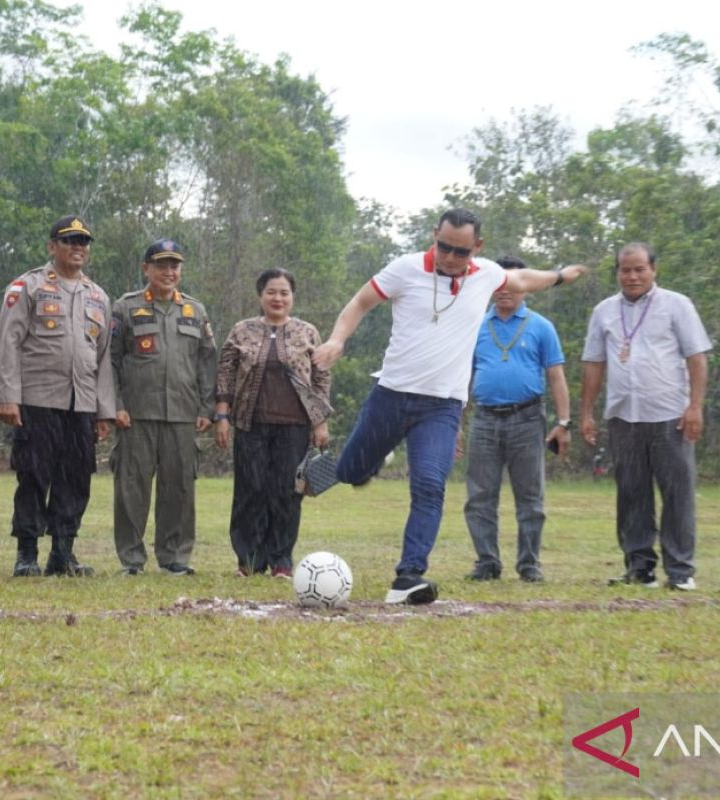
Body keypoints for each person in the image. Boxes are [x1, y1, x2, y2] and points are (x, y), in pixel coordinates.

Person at [312, 207, 589, 604]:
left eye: (461, 252)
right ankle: (339, 468)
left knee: (429, 485)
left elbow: (525, 278)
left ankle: (408, 578)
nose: (451, 257)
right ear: (434, 236)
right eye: (444, 247)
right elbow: (360, 303)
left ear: (477, 247)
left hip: (441, 407)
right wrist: (338, 340)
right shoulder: (406, 269)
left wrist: (560, 276)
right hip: (391, 395)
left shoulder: (487, 274)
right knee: (352, 470)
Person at [580, 242, 711, 591]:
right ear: (618, 273)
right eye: (626, 270)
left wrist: (695, 406)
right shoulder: (604, 311)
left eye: (640, 269)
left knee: (677, 494)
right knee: (632, 494)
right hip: (624, 416)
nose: (633, 276)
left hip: (670, 414)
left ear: (654, 270)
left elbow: (697, 358)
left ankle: (680, 571)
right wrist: (587, 413)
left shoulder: (676, 305)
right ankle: (639, 568)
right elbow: (594, 364)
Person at [0, 215, 115, 577]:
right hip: (37, 400)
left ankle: (63, 552)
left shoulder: (98, 296)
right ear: (52, 247)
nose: (78, 247)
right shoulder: (27, 287)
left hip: (82, 403)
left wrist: (104, 410)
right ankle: (26, 553)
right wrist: (7, 396)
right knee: (33, 476)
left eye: (83, 242)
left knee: (76, 479)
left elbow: (104, 356)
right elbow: (9, 342)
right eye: (69, 241)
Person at [458, 256, 571, 583]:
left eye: (512, 283)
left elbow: (557, 377)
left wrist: (564, 423)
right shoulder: (475, 325)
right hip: (484, 419)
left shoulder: (541, 326)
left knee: (530, 497)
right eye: (499, 284)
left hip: (527, 418)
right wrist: (457, 425)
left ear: (526, 286)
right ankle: (487, 562)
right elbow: (462, 377)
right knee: (480, 495)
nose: (505, 291)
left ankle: (530, 564)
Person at [214, 268, 332, 578]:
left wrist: (320, 422)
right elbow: (225, 373)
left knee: (286, 493)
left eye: (284, 292)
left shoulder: (308, 332)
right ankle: (249, 560)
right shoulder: (241, 330)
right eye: (271, 292)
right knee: (250, 491)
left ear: (292, 297)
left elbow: (321, 378)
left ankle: (281, 560)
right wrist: (222, 415)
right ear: (260, 296)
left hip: (295, 426)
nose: (277, 298)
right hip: (250, 423)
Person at [110, 239, 216, 576]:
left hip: (184, 415)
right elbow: (110, 361)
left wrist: (206, 407)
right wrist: (115, 404)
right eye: (160, 265)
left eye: (174, 265)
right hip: (136, 414)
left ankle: (174, 558)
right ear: (146, 269)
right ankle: (131, 560)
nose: (168, 271)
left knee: (180, 489)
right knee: (131, 490)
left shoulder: (196, 311)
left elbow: (207, 362)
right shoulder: (125, 308)